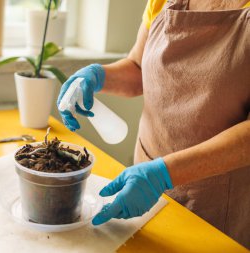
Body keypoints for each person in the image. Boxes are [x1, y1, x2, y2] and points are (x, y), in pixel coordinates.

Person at [57, 0, 250, 248]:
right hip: (143, 183)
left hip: (215, 202)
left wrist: (163, 174)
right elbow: (138, 68)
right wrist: (97, 76)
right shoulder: (161, 2)